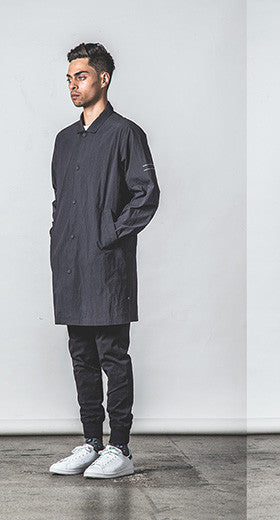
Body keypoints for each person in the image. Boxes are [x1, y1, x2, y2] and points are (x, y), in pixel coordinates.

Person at [48, 43, 160, 479]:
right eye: (69, 79)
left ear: (103, 78)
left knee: (112, 353)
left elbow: (146, 195)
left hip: (107, 263)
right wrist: (60, 235)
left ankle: (120, 448)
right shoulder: (64, 140)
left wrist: (109, 234)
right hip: (70, 261)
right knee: (80, 353)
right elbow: (60, 199)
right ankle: (91, 442)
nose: (73, 86)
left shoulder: (125, 133)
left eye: (81, 76)